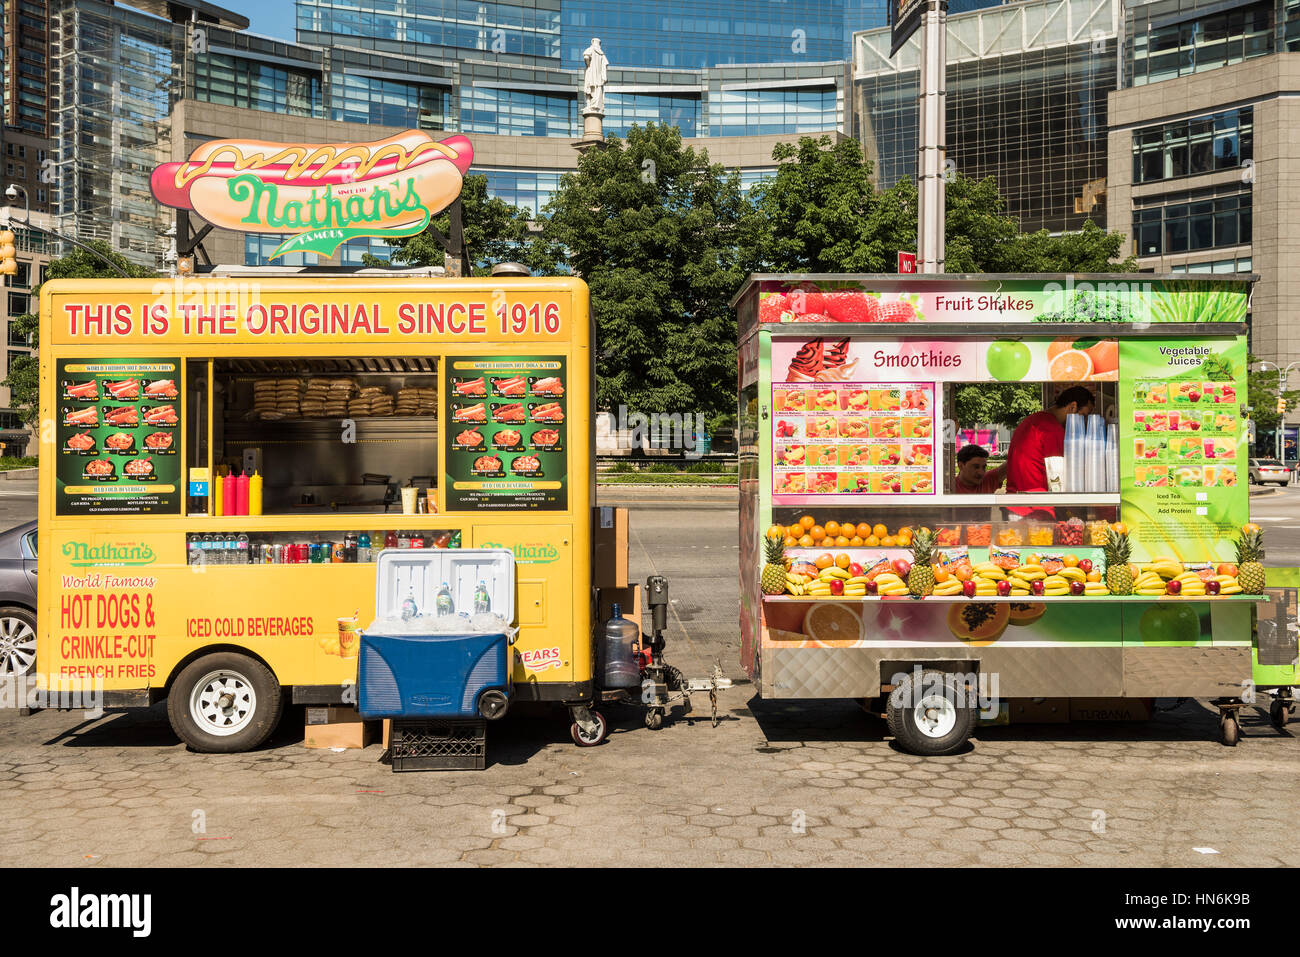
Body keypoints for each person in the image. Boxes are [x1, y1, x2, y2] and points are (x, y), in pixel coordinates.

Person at [1005, 385, 1095, 496]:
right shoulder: (1052, 430)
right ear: (1073, 407)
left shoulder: (1033, 420)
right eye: (1083, 416)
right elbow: (1058, 481)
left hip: (1016, 500)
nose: (1085, 422)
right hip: (1034, 505)